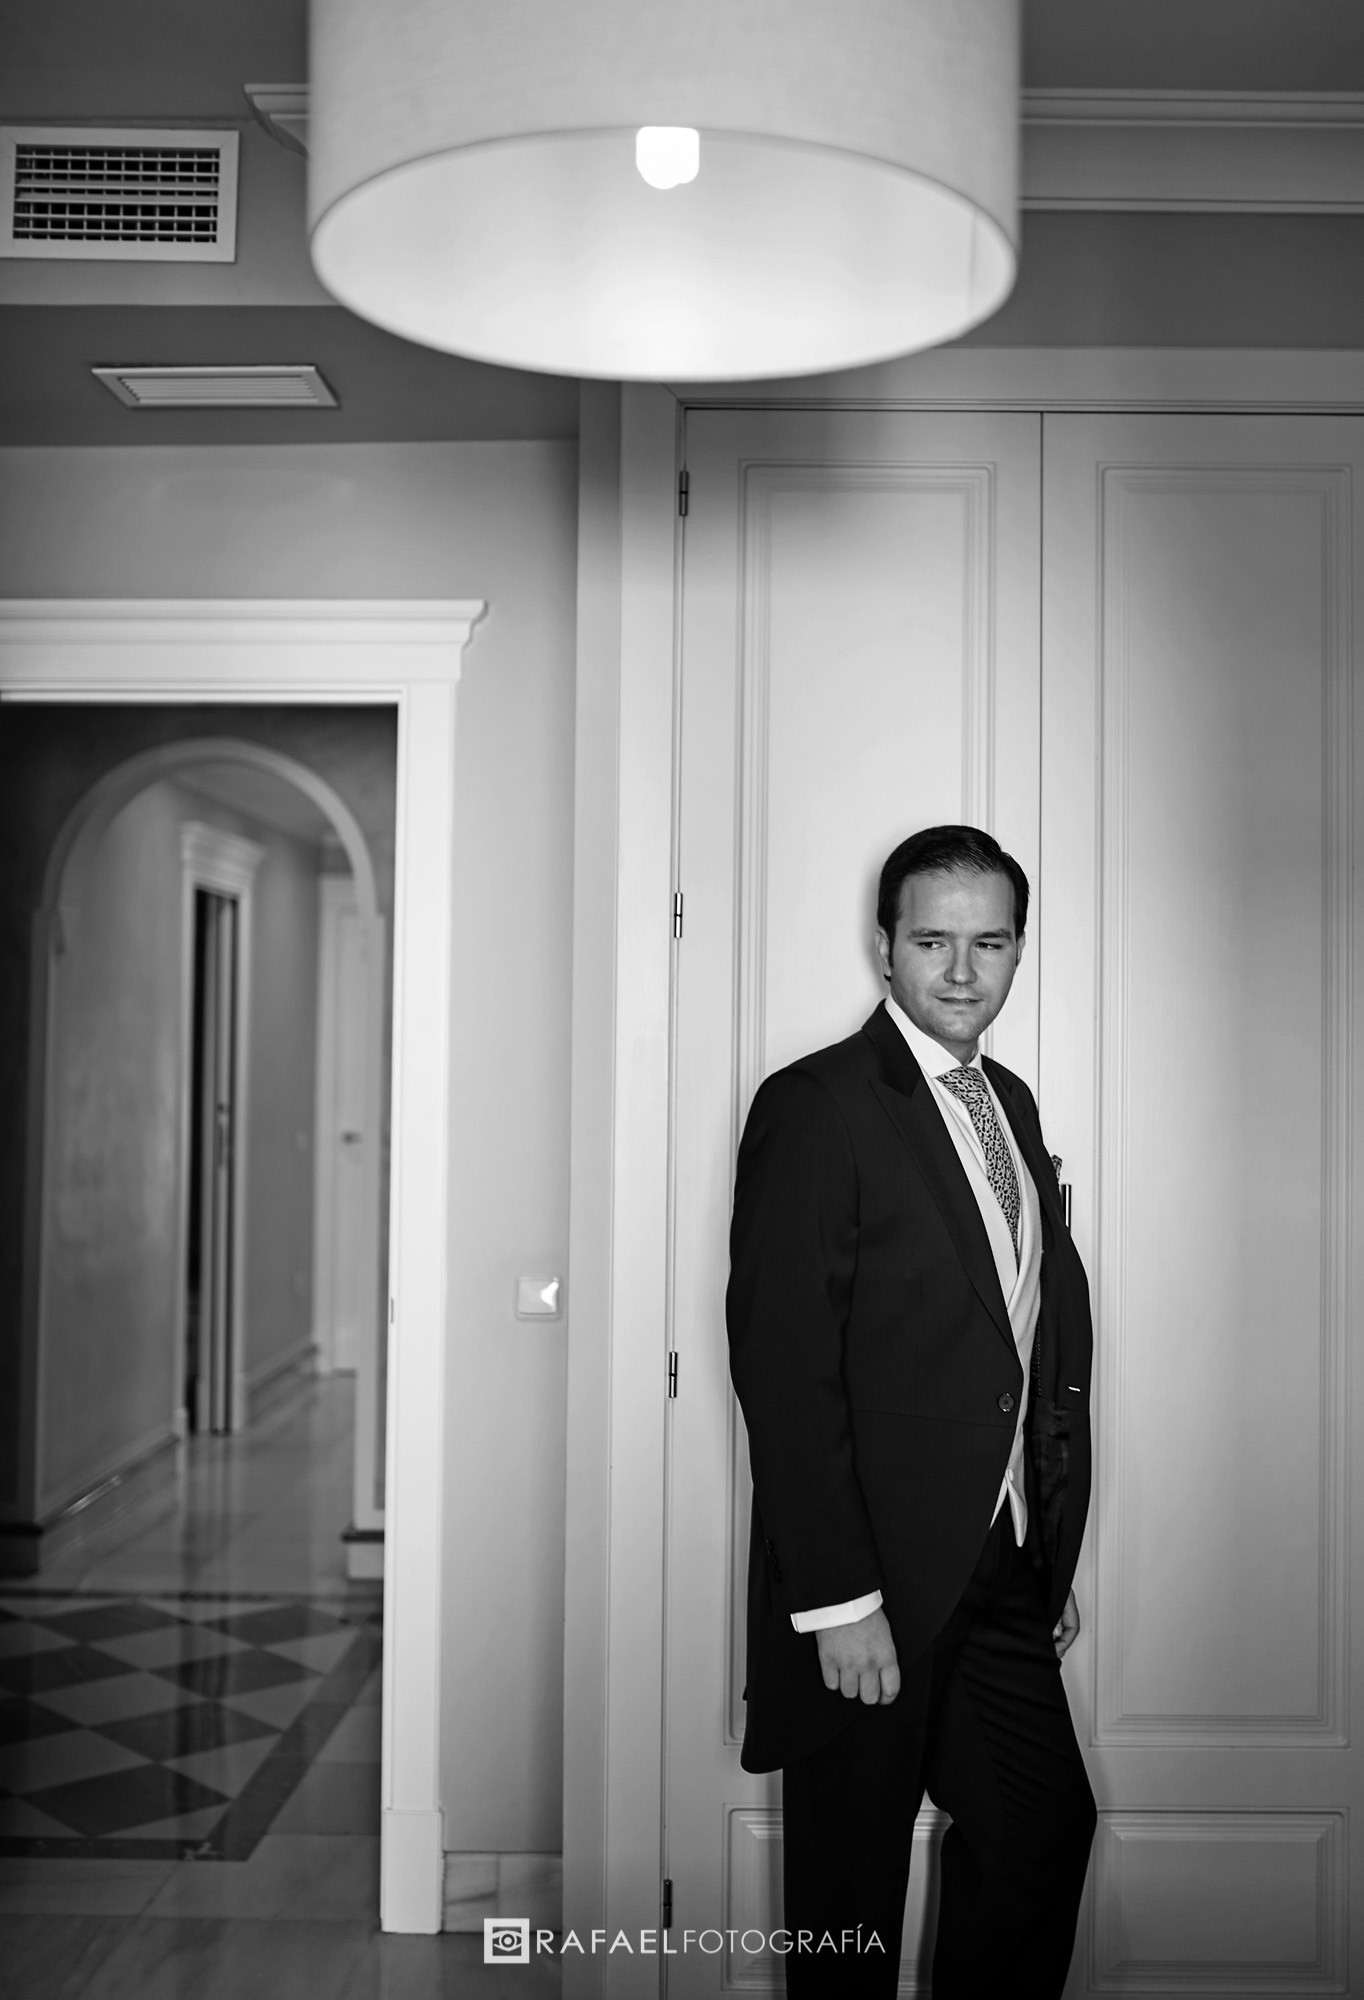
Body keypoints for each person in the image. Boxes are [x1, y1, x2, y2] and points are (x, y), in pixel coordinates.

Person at [727, 824, 1096, 1997]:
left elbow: (1013, 1335)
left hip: (996, 1563)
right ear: (882, 944)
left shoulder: (1008, 1101)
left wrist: (1035, 1531)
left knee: (1040, 1830)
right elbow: (784, 1369)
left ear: (1017, 949)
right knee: (849, 1896)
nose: (960, 969)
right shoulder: (816, 1103)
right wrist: (836, 1599)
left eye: (989, 942)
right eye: (931, 939)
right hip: (867, 1581)